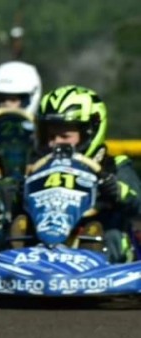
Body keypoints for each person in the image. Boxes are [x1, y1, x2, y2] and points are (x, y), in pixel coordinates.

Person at [30, 85, 141, 262]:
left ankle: (96, 258)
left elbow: (138, 204)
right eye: (50, 136)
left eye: (65, 136)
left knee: (109, 230)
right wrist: (22, 192)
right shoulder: (38, 166)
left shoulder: (113, 166)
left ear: (91, 131)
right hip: (44, 240)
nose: (55, 143)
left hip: (100, 249)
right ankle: (12, 264)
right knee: (20, 222)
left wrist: (114, 188)